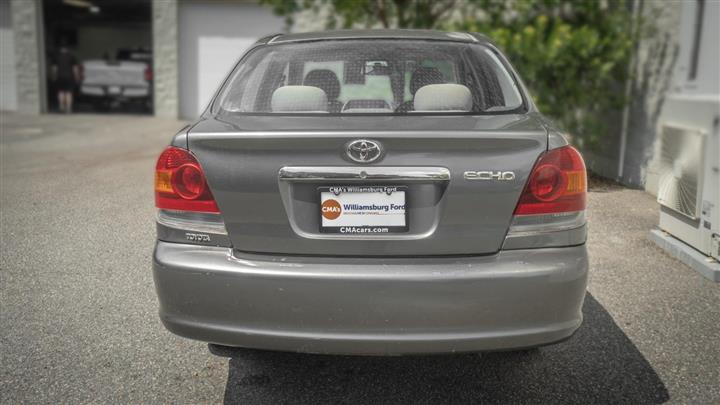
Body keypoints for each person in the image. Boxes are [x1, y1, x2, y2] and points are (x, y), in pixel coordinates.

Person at [52, 44, 80, 113]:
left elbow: (54, 69)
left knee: (61, 92)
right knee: (69, 93)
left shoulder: (56, 57)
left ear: (60, 49)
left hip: (60, 76)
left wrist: (54, 77)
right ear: (67, 49)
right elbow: (75, 69)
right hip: (69, 77)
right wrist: (76, 77)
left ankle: (61, 107)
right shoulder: (72, 57)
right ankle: (68, 108)